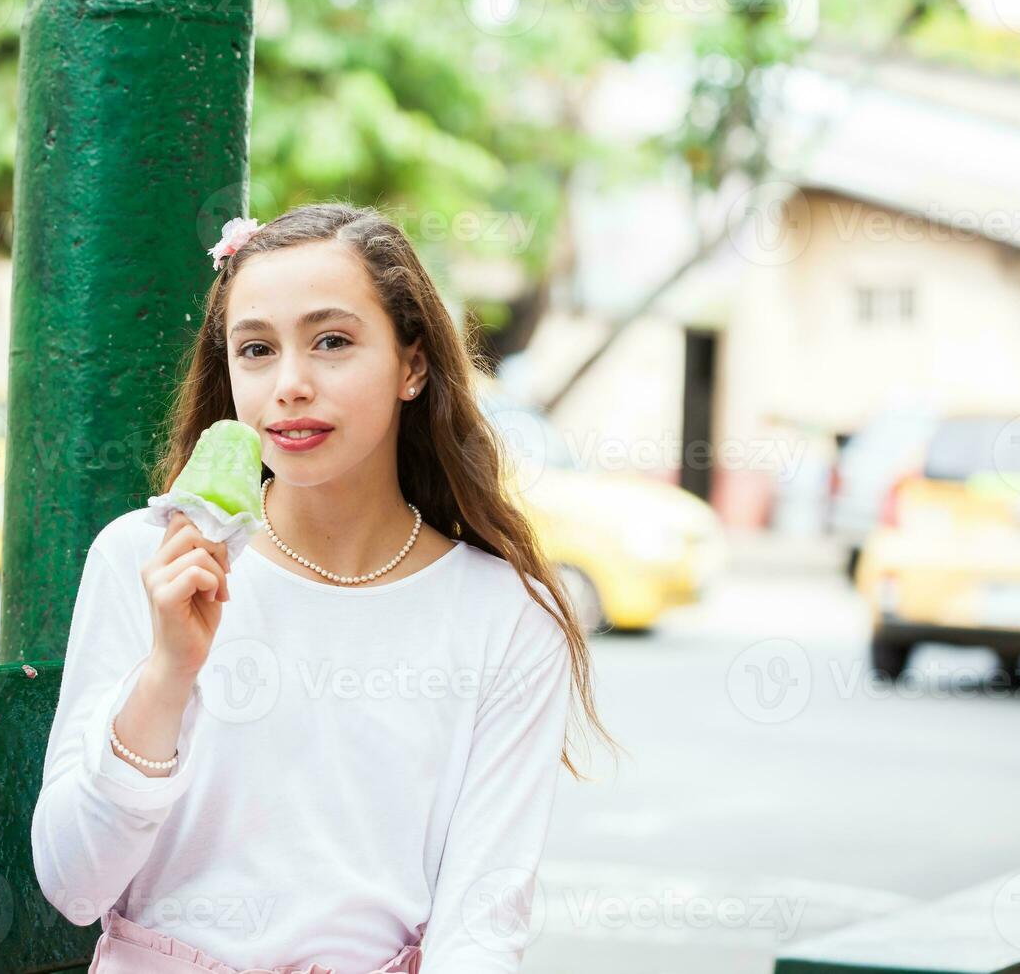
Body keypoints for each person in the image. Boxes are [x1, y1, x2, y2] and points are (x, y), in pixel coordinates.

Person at [31, 202, 619, 973]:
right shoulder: (146, 562)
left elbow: (481, 928)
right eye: (256, 350)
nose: (291, 384)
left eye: (333, 341)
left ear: (413, 364)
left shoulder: (504, 618)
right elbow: (73, 886)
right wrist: (168, 675)